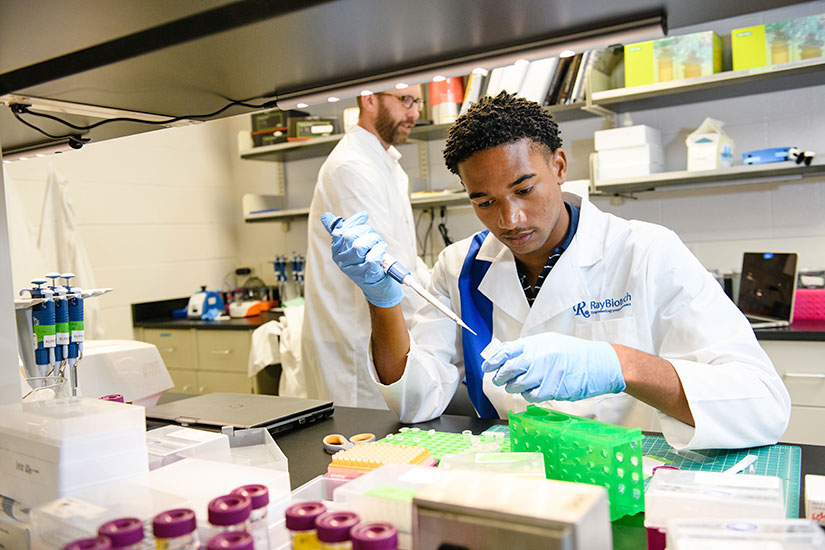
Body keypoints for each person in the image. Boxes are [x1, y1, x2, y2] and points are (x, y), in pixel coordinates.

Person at [320, 91, 791, 450]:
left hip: (626, 483)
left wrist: (619, 365)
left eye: (525, 189)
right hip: (508, 477)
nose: (511, 220)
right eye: (484, 201)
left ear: (559, 166)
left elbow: (763, 403)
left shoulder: (645, 252)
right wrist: (383, 303)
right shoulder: (459, 267)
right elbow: (414, 401)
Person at [302, 86, 430, 408]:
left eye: (417, 102)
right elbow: (386, 267)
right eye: (405, 101)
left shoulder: (385, 163)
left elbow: (406, 258)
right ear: (370, 99)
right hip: (355, 344)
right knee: (360, 452)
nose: (414, 113)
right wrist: (440, 325)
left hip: (373, 337)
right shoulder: (352, 167)